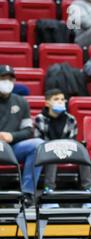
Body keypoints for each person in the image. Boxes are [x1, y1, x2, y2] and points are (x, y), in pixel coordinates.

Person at [34, 89, 91, 209]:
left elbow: (72, 140)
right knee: (53, 153)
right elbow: (37, 142)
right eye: (56, 99)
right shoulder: (39, 118)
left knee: (84, 153)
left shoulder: (70, 119)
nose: (60, 102)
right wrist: (54, 146)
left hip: (67, 149)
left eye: (62, 99)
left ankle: (88, 192)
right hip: (46, 152)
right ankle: (48, 191)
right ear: (47, 103)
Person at [0, 65, 43, 207]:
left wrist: (11, 136)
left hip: (12, 148)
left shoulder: (21, 102)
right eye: (3, 78)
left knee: (37, 145)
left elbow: (28, 130)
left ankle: (27, 194)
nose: (7, 82)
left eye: (10, 78)